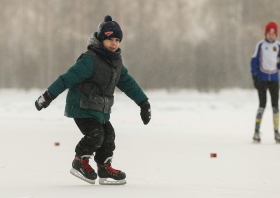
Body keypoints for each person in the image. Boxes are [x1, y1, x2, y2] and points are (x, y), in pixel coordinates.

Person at [35, 15, 151, 185]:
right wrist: (47, 96)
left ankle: (104, 168)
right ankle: (79, 161)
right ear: (101, 39)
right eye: (110, 38)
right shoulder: (90, 60)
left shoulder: (116, 63)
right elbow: (66, 79)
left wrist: (143, 103)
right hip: (81, 107)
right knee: (96, 135)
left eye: (117, 39)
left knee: (109, 135)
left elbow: (128, 83)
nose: (114, 43)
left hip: (101, 111)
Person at [251, 21, 280, 143]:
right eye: (269, 33)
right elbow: (254, 61)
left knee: (275, 106)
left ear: (276, 34)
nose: (271, 36)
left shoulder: (278, 46)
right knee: (262, 105)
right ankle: (256, 132)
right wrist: (255, 77)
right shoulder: (261, 45)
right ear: (266, 33)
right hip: (262, 80)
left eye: (273, 34)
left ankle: (276, 132)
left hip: (274, 79)